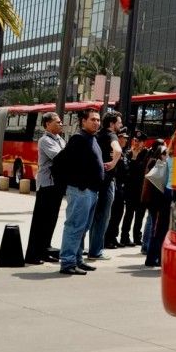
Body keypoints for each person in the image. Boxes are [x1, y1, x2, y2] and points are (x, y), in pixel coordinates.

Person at [58, 109, 103, 275]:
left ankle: (77, 259)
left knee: (83, 228)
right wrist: (80, 182)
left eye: (98, 120)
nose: (96, 123)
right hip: (80, 190)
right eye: (93, 120)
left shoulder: (92, 139)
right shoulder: (79, 138)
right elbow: (64, 162)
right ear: (83, 121)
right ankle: (68, 262)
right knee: (75, 226)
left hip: (91, 191)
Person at [25, 112, 66, 264]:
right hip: (46, 184)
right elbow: (60, 158)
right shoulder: (45, 140)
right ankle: (33, 254)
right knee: (40, 221)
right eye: (57, 122)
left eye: (61, 122)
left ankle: (44, 250)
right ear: (47, 124)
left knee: (51, 220)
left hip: (57, 184)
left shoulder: (60, 139)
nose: (61, 124)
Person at [86, 111, 123, 261]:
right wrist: (113, 163)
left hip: (95, 180)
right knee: (103, 217)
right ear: (112, 124)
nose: (120, 125)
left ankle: (90, 248)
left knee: (93, 217)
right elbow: (118, 150)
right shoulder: (111, 135)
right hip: (107, 181)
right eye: (119, 123)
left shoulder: (97, 135)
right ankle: (96, 251)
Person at [146, 128, 176, 268]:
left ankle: (152, 257)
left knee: (160, 227)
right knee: (173, 228)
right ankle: (163, 257)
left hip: (166, 191)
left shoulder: (169, 155)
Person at [119, 131, 149, 246]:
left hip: (141, 190)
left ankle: (137, 237)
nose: (137, 143)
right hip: (130, 189)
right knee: (129, 214)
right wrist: (134, 157)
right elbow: (127, 171)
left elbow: (143, 170)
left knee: (140, 215)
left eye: (139, 141)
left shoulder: (147, 154)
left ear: (144, 143)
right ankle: (124, 237)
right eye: (135, 140)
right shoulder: (128, 153)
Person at [104, 128, 130, 249]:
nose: (125, 140)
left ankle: (113, 237)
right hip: (115, 185)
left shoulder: (123, 153)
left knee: (118, 214)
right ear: (118, 138)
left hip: (122, 188)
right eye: (124, 138)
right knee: (113, 214)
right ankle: (108, 239)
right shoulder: (114, 152)